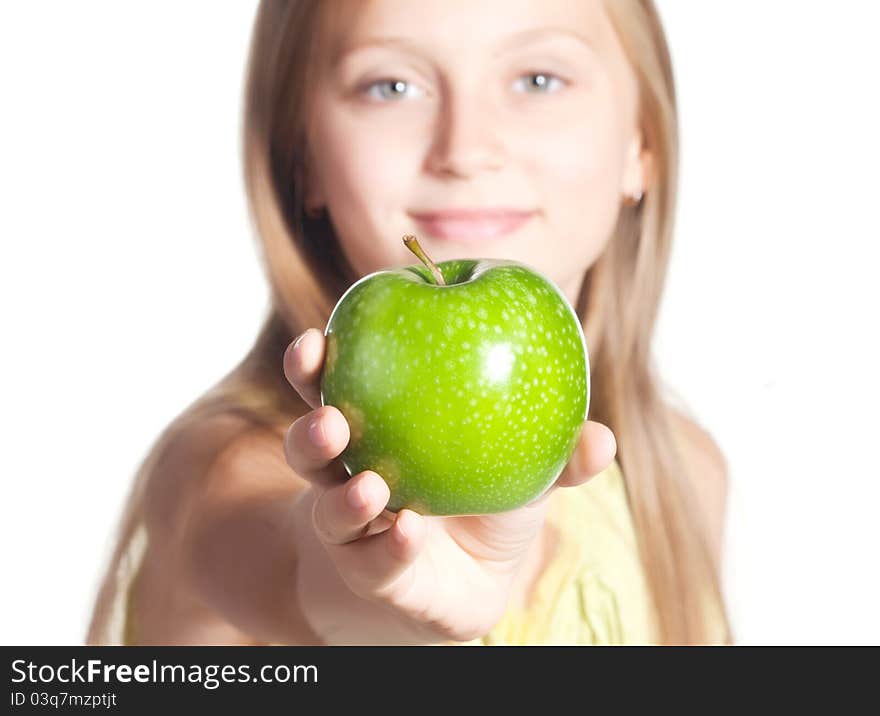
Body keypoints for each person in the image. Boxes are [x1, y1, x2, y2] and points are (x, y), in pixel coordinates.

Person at [86, 0, 732, 646]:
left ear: (641, 140)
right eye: (391, 87)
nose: (467, 150)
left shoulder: (683, 475)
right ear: (301, 154)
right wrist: (390, 590)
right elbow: (304, 572)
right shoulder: (221, 474)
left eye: (539, 80)